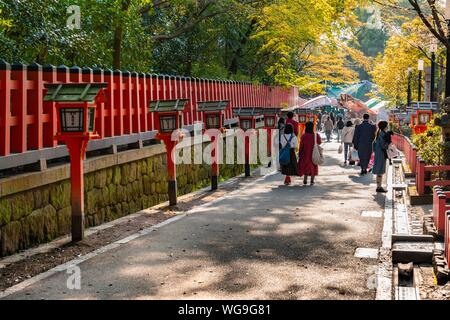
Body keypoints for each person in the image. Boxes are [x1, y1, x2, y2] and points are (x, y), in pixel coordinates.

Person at [372, 121, 389, 193]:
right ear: (385, 127)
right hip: (381, 154)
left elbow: (373, 145)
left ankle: (379, 186)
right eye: (387, 126)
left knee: (379, 170)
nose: (388, 127)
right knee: (380, 170)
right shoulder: (383, 134)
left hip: (378, 153)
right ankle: (379, 187)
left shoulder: (379, 133)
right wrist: (388, 144)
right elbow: (383, 145)